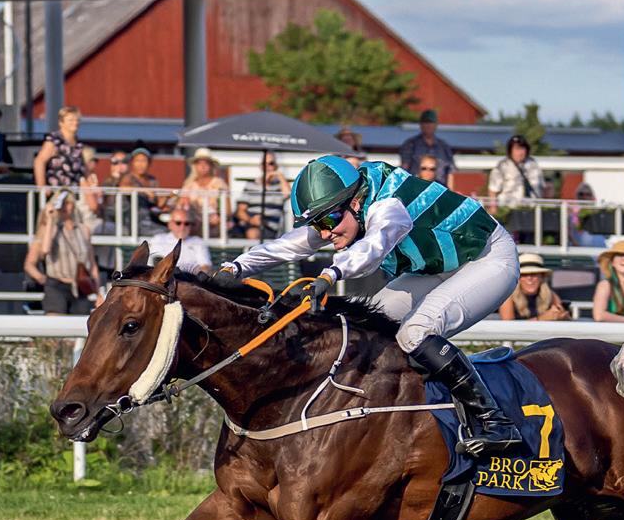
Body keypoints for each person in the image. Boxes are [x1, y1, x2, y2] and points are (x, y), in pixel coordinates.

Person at [218, 155, 522, 456]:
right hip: (438, 265)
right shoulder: (349, 205)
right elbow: (289, 244)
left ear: (355, 202)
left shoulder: (388, 207)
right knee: (368, 328)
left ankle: (495, 421)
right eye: (317, 223)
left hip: (489, 258)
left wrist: (330, 274)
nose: (324, 233)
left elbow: (373, 248)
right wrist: (235, 268)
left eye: (328, 221)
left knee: (415, 332)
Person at [23, 193, 98, 316]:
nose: (64, 207)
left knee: (81, 324)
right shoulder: (50, 229)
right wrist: (51, 219)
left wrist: (97, 292)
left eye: (68, 203)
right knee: (55, 322)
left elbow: (91, 263)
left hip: (79, 286)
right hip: (57, 284)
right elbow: (45, 250)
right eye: (61, 203)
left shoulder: (83, 230)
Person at [33, 106, 94, 195]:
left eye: (77, 120)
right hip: (58, 192)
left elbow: (83, 168)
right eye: (71, 120)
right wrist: (42, 186)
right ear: (61, 122)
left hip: (76, 192)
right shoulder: (54, 140)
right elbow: (39, 161)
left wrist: (91, 186)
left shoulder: (78, 143)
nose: (75, 123)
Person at [177, 148, 231, 235]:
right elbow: (181, 206)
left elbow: (227, 211)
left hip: (214, 223)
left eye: (206, 163)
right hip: (193, 222)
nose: (203, 166)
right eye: (199, 163)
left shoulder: (219, 184)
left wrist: (219, 218)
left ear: (211, 166)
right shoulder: (189, 185)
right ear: (195, 166)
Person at [500, 253, 569, 321]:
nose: (529, 278)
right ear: (518, 278)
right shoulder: (508, 297)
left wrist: (562, 316)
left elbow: (567, 319)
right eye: (524, 274)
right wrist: (541, 319)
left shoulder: (551, 295)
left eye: (534, 274)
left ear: (542, 277)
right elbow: (508, 326)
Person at [487, 135, 544, 210]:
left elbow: (542, 187)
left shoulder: (533, 164)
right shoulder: (503, 166)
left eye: (523, 148)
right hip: (508, 208)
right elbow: (493, 190)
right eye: (517, 149)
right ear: (510, 150)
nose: (521, 152)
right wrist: (494, 208)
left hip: (532, 208)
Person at [146, 210, 213, 273]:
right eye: (178, 223)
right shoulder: (158, 240)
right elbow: (149, 266)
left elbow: (206, 267)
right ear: (170, 224)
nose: (182, 227)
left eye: (186, 223)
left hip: (189, 278)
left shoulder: (198, 242)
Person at [398, 109, 455, 182]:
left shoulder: (444, 146)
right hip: (417, 185)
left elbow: (450, 172)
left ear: (436, 125)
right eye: (425, 122)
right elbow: (404, 168)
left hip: (439, 186)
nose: (428, 125)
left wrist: (449, 189)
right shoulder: (410, 144)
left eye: (431, 122)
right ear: (420, 124)